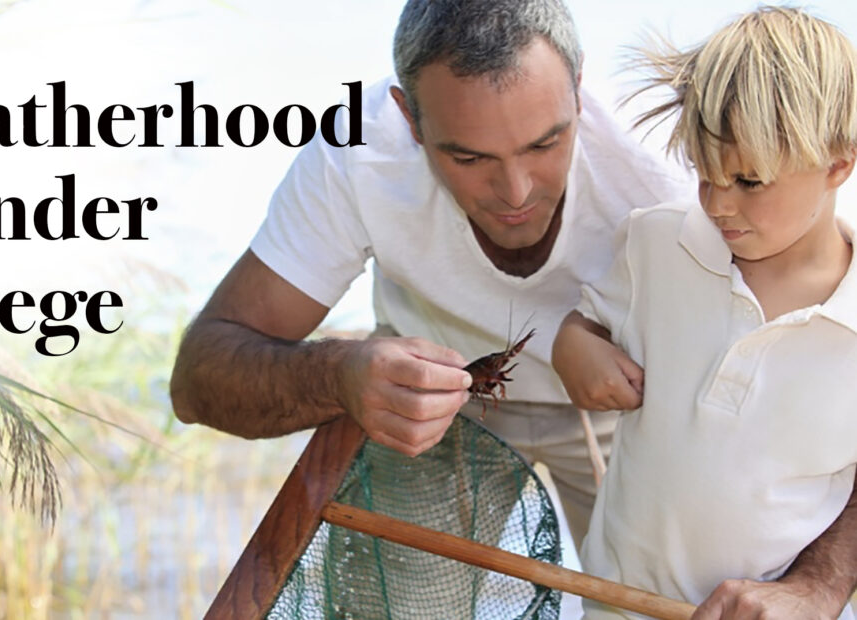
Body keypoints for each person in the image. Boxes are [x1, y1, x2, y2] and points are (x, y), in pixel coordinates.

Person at [170, 0, 857, 615]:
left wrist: (821, 584)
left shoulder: (685, 168)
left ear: (580, 89)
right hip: (433, 407)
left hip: (627, 415)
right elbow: (199, 380)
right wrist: (342, 375)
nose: (515, 190)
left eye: (544, 143)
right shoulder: (358, 154)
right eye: (468, 156)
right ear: (408, 117)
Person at [552, 7, 857, 619]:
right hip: (615, 605)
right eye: (703, 173)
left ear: (837, 165)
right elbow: (584, 325)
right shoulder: (654, 244)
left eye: (748, 180)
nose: (717, 203)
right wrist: (573, 349)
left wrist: (814, 593)